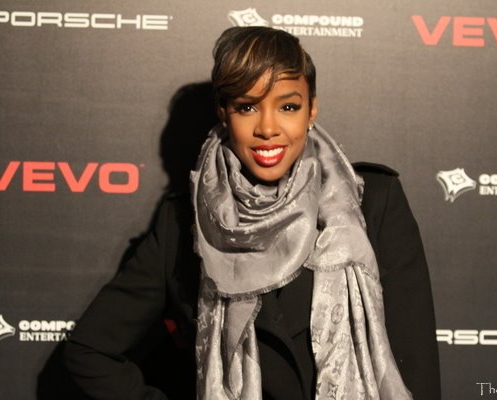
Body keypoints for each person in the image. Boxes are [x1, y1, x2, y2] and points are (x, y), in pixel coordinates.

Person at [64, 26, 440, 399]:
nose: (268, 128)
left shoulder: (373, 203)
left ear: (312, 109)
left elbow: (416, 370)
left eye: (288, 107)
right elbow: (90, 351)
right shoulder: (184, 223)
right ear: (224, 113)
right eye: (247, 107)